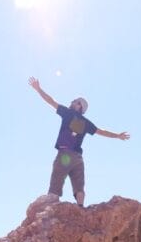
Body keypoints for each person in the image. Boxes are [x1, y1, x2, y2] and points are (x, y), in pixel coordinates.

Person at [28, 76, 130, 206]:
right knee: (79, 186)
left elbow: (51, 101)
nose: (72, 102)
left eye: (75, 101)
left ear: (79, 106)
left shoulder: (68, 113)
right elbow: (101, 131)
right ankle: (80, 207)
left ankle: (51, 204)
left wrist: (38, 89)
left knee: (57, 178)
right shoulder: (86, 123)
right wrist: (117, 136)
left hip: (65, 154)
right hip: (78, 158)